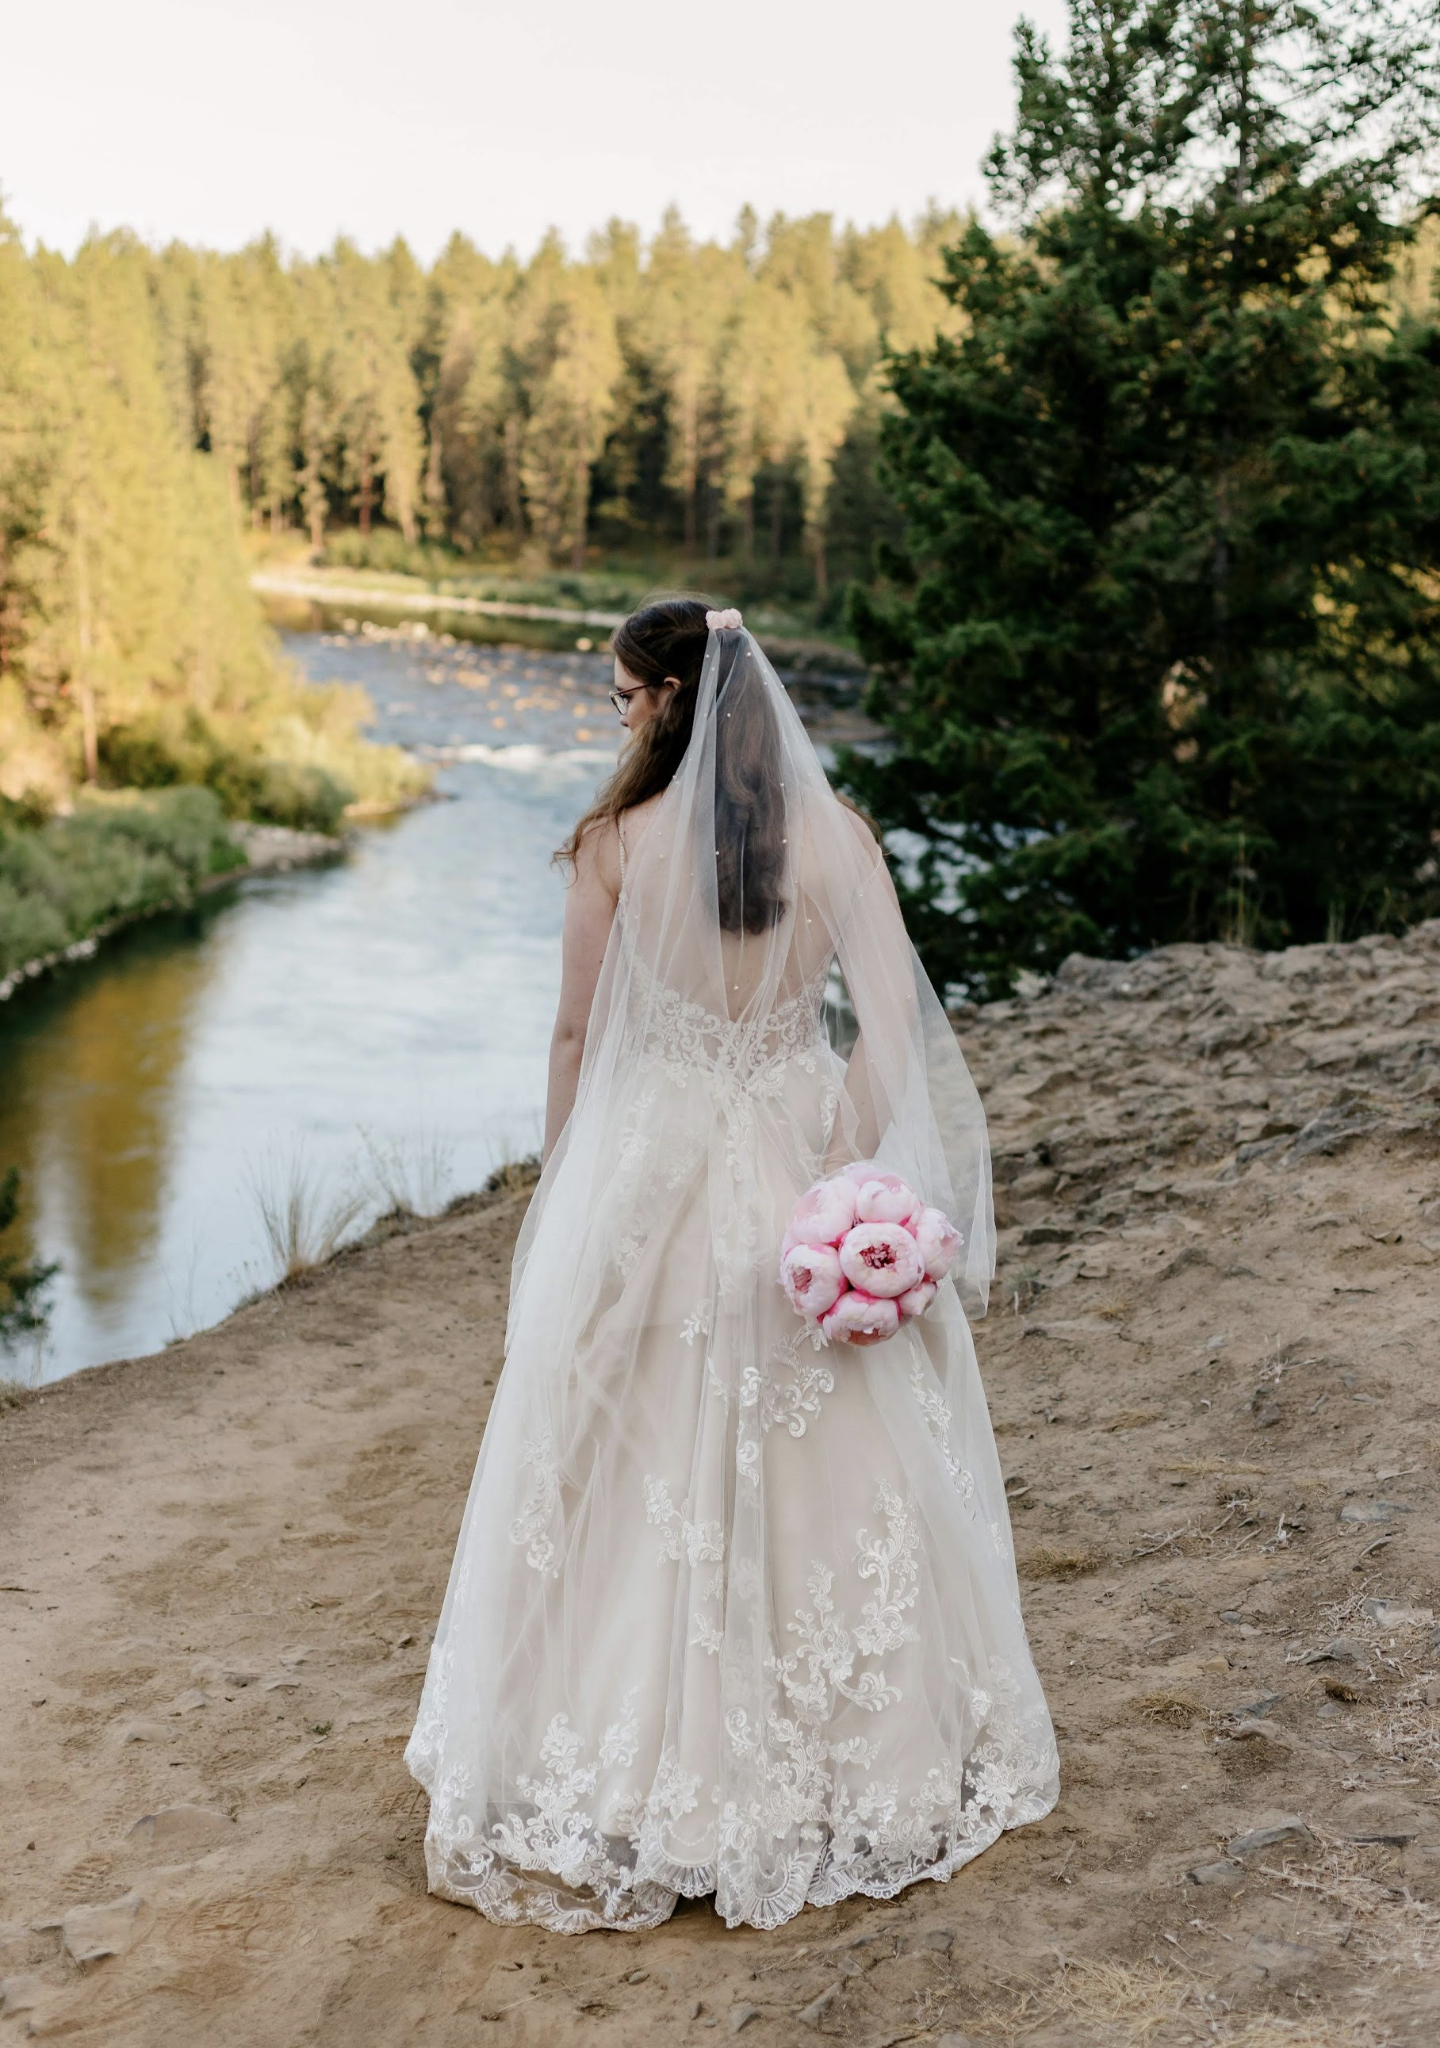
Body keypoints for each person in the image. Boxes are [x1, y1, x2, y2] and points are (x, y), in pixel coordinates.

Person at [405, 598, 1058, 1932]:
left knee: (632, 1456)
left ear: (667, 700)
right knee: (841, 1457)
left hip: (652, 1174)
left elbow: (580, 1040)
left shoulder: (612, 847)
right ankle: (851, 1762)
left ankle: (641, 1767)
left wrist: (568, 1206)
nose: (619, 715)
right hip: (794, 1153)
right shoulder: (839, 841)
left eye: (623, 695)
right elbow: (892, 1031)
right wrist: (843, 1169)